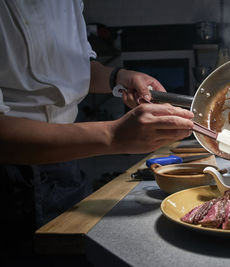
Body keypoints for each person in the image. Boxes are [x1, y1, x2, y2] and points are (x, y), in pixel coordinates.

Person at [0, 0, 194, 263]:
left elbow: (72, 67)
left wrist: (118, 76)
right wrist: (113, 136)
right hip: (9, 177)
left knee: (76, 253)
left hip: (66, 161)